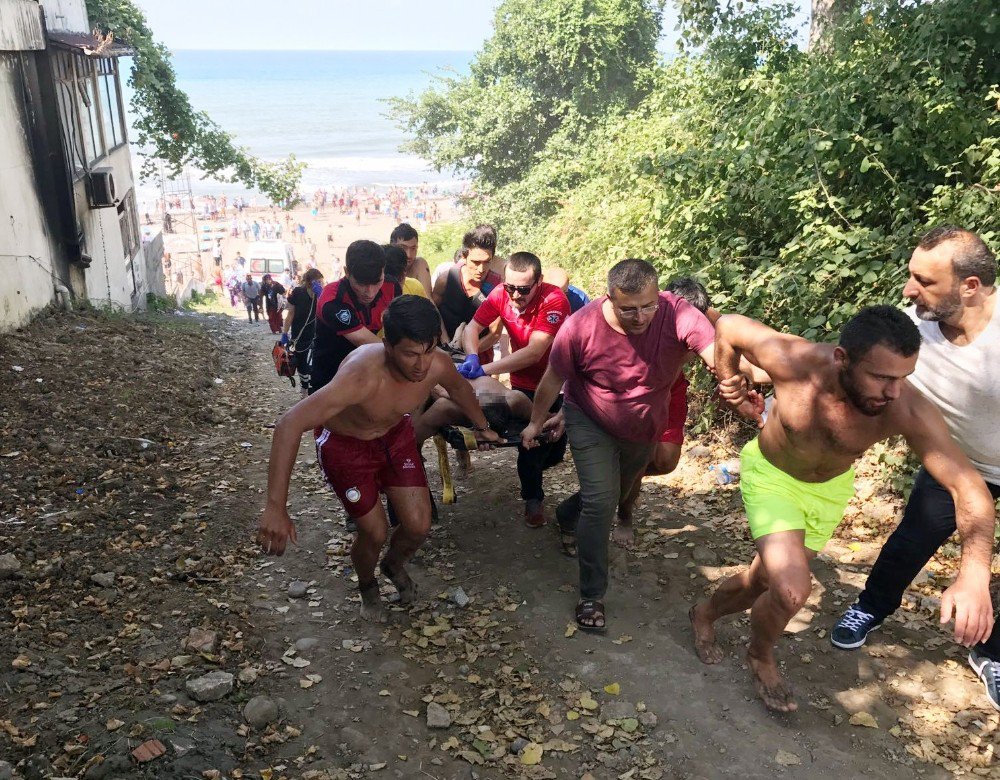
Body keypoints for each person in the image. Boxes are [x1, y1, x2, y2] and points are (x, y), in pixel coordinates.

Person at [689, 305, 995, 713]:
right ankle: (760, 654)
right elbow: (727, 327)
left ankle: (704, 612)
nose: (893, 392)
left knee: (764, 581)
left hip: (829, 491)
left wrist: (974, 573)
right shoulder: (794, 361)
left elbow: (968, 485)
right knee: (792, 589)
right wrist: (729, 380)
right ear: (841, 358)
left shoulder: (905, 407)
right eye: (882, 377)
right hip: (772, 477)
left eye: (904, 377)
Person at [826, 227, 1000, 706]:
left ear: (970, 286)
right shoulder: (910, 331)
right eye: (911, 276)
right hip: (956, 464)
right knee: (911, 541)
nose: (909, 290)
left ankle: (991, 651)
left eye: (924, 280)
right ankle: (869, 607)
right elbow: (844, 368)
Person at [521, 259, 740, 631]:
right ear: (610, 298)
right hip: (590, 417)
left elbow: (711, 350)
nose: (640, 317)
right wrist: (535, 422)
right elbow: (552, 378)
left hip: (643, 423)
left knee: (621, 491)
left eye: (647, 306)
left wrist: (732, 379)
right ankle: (592, 594)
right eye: (629, 309)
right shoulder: (579, 327)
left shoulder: (677, 313)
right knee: (602, 500)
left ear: (659, 295)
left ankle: (567, 515)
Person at [257, 296, 500, 621]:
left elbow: (459, 390)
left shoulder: (437, 362)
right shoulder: (361, 376)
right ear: (388, 346)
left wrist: (482, 427)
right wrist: (276, 507)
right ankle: (368, 586)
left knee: (418, 525)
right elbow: (290, 424)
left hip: (395, 437)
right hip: (347, 447)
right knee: (374, 532)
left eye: (428, 351)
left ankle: (393, 565)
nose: (422, 364)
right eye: (410, 353)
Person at [457, 251, 571, 527]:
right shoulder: (500, 294)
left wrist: (484, 369)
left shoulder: (554, 300)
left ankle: (531, 473)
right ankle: (533, 499)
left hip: (556, 383)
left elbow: (535, 351)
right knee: (530, 445)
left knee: (554, 449)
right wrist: (473, 354)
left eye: (523, 289)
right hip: (523, 385)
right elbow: (473, 327)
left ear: (539, 282)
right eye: (510, 287)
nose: (516, 295)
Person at [310, 240, 401, 393]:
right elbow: (363, 340)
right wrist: (406, 358)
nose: (370, 292)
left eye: (376, 281)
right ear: (346, 272)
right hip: (331, 376)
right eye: (361, 283)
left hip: (369, 370)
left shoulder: (392, 287)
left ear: (383, 271)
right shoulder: (332, 300)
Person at [432, 225, 502, 363]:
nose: (481, 269)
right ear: (464, 257)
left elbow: (495, 334)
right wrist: (446, 343)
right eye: (475, 262)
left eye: (486, 262)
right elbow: (433, 310)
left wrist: (466, 354)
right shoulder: (446, 280)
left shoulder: (497, 288)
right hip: (443, 352)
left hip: (478, 357)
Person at [281, 268, 324, 396]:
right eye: (319, 282)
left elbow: (328, 312)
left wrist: (321, 296)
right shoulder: (298, 293)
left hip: (316, 335)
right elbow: (290, 314)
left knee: (311, 365)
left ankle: (310, 390)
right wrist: (284, 333)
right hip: (299, 335)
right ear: (311, 283)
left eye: (322, 282)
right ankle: (304, 386)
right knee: (300, 363)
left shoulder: (322, 295)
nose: (322, 285)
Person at [390, 223, 433, 297]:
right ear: (391, 245)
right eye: (403, 248)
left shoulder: (419, 264)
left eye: (413, 248)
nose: (409, 255)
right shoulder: (383, 266)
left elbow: (428, 299)